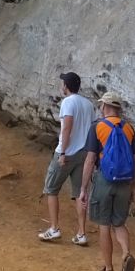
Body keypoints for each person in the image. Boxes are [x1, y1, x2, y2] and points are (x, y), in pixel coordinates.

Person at [78, 91, 135, 271]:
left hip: (105, 180)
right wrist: (132, 185)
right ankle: (126, 254)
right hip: (124, 182)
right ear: (119, 109)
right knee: (119, 224)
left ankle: (109, 270)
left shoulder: (97, 127)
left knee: (104, 225)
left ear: (104, 106)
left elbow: (90, 160)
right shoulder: (129, 128)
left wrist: (83, 188)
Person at [38, 72, 95, 245]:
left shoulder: (68, 102)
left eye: (62, 83)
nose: (61, 86)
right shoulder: (88, 104)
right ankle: (81, 233)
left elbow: (67, 128)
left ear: (66, 86)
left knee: (51, 188)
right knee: (80, 192)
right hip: (84, 153)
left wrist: (62, 152)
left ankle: (54, 228)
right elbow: (92, 129)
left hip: (67, 152)